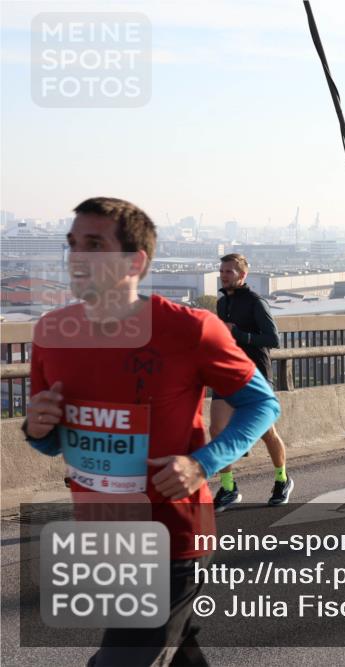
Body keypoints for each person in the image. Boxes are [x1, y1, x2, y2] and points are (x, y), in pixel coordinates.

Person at [22, 197, 280, 666]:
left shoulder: (190, 329)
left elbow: (262, 404)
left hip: (173, 535)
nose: (77, 257)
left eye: (94, 244)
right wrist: (38, 428)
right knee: (174, 650)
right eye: (73, 244)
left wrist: (203, 463)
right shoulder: (51, 332)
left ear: (135, 261)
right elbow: (52, 439)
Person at [210, 253, 292, 510]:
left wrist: (239, 334)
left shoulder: (256, 303)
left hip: (255, 375)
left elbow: (273, 339)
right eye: (222, 271)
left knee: (267, 433)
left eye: (229, 272)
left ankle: (282, 479)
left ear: (242, 275)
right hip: (227, 373)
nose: (223, 275)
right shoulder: (222, 304)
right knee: (217, 431)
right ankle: (228, 487)